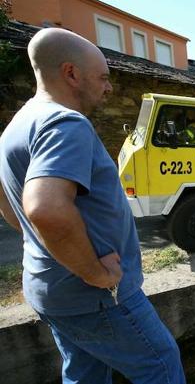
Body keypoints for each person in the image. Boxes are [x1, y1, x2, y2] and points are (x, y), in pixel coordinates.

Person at [0, 28, 185, 384]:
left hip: (48, 289)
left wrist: (49, 248)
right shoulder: (65, 123)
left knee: (85, 373)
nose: (110, 87)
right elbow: (44, 209)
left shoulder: (17, 126)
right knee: (159, 364)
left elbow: (11, 208)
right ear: (71, 73)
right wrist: (94, 273)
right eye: (103, 77)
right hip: (96, 295)